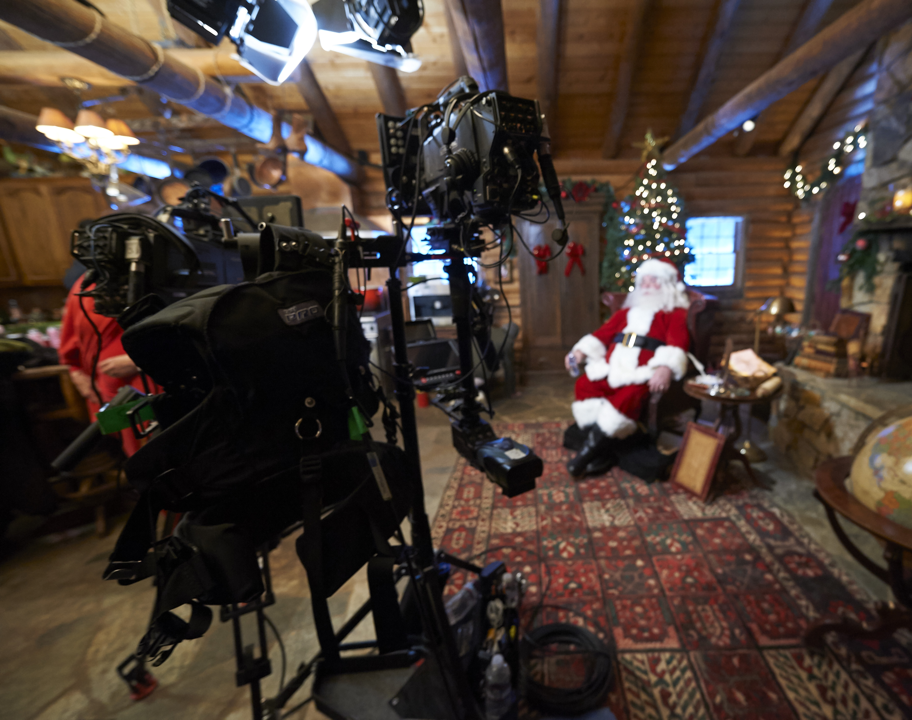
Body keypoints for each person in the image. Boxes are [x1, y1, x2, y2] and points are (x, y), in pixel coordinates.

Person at [564, 257, 691, 477]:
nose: (647, 286)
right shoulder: (625, 313)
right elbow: (602, 335)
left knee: (628, 396)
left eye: (654, 281)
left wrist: (665, 368)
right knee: (584, 384)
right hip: (611, 368)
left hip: (641, 373)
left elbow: (677, 345)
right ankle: (603, 450)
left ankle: (584, 457)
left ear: (667, 285)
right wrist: (579, 352)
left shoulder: (674, 313)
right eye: (644, 281)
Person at [58, 274, 145, 456]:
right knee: (131, 456)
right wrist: (76, 372)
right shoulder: (86, 282)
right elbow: (70, 339)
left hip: (150, 386)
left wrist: (141, 360)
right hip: (106, 392)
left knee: (156, 454)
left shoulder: (153, 274)